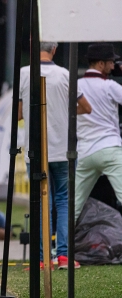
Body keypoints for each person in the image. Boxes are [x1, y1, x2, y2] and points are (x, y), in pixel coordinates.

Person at [19, 41, 91, 269]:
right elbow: (85, 107)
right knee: (63, 200)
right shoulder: (65, 74)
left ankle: (40, 259)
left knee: (39, 202)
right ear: (54, 50)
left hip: (36, 149)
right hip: (63, 148)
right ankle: (63, 256)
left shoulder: (24, 73)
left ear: (33, 47)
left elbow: (19, 113)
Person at [75, 44, 122, 229]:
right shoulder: (110, 85)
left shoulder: (76, 84)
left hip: (85, 152)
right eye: (111, 62)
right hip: (109, 149)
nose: (113, 66)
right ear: (101, 63)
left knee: (73, 205)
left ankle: (59, 249)